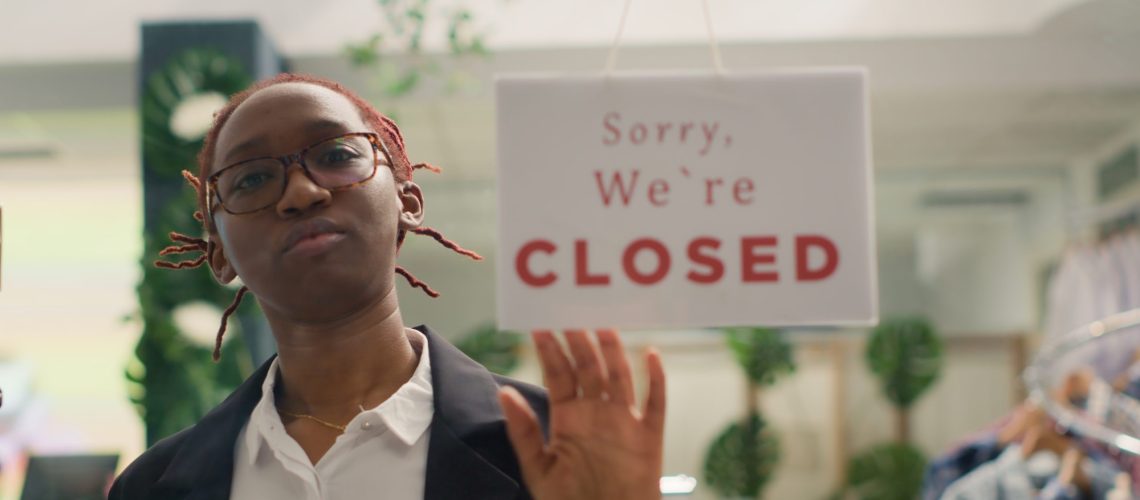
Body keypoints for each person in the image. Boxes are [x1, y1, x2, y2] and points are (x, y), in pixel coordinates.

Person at [108, 73, 667, 500]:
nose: (300, 193)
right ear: (220, 253)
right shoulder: (154, 486)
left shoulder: (548, 443)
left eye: (336, 155)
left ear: (408, 202)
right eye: (253, 178)